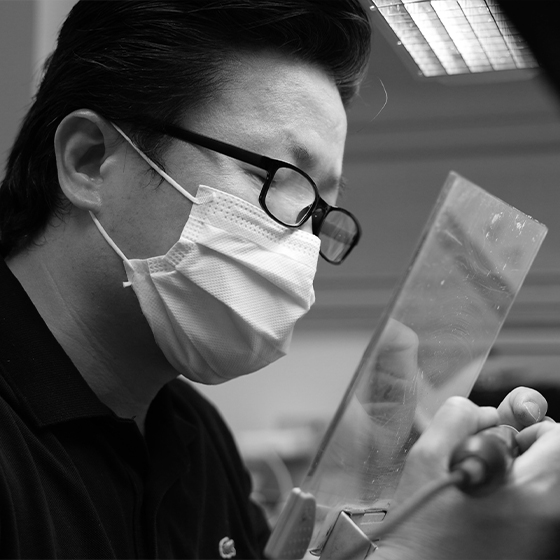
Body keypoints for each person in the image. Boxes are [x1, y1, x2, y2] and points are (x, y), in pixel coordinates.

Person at [0, 1, 558, 558]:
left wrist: (397, 504)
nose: (300, 251)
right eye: (273, 178)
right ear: (90, 160)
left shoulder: (194, 438)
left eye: (317, 213)